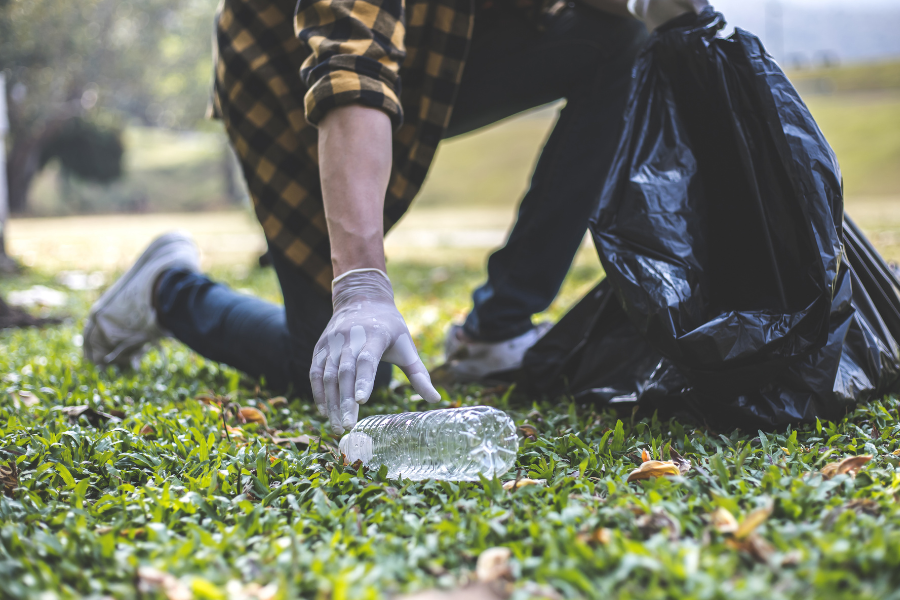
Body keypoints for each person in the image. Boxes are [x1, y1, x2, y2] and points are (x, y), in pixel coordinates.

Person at [83, 0, 707, 435]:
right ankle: (169, 290)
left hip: (443, 43)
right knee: (341, 371)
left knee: (623, 42)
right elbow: (349, 65)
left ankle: (496, 329)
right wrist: (360, 287)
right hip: (288, 70)